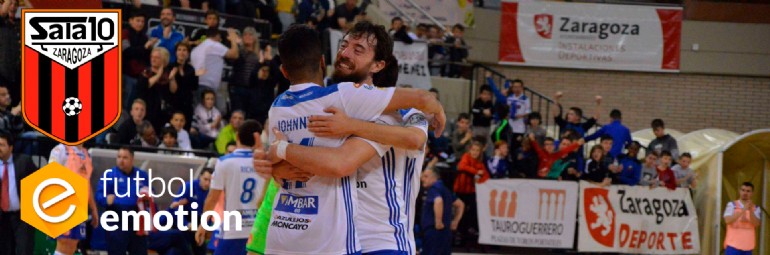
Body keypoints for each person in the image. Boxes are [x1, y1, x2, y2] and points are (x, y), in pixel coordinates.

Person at [248, 25, 446, 255]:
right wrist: (274, 168)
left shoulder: (397, 113)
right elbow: (300, 157)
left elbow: (412, 138)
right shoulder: (330, 100)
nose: (345, 53)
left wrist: (350, 126)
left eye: (358, 49)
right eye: (343, 45)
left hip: (382, 240)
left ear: (378, 65)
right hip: (338, 236)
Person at [195, 120, 265, 255]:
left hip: (234, 230)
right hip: (258, 230)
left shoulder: (224, 162)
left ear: (237, 136)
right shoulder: (265, 163)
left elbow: (212, 198)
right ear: (258, 138)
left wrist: (203, 225)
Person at [96, 147, 150, 255]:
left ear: (132, 159)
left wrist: (147, 195)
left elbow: (150, 192)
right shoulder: (109, 175)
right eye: (119, 157)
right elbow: (99, 195)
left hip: (137, 221)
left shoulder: (142, 175)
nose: (121, 160)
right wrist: (106, 199)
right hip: (117, 220)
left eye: (125, 157)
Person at [48, 143, 99, 255]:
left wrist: (93, 208)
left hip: (80, 205)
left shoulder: (86, 154)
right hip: (63, 203)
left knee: (73, 244)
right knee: (63, 242)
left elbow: (87, 183)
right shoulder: (60, 150)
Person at [0, 133, 38, 255]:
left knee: (24, 250)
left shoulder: (24, 161)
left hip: (22, 216)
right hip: (2, 217)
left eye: (1, 145)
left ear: (11, 147)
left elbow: (39, 181)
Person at [190, 28, 240, 112]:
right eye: (220, 39)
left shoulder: (196, 49)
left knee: (198, 114)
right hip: (207, 87)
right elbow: (234, 54)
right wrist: (233, 40)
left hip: (196, 86)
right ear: (217, 36)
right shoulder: (213, 45)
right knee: (208, 115)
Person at [421, 168, 464, 255]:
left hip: (434, 231)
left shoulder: (434, 188)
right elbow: (460, 204)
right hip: (445, 232)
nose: (422, 179)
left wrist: (438, 222)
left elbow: (438, 201)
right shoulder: (445, 189)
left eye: (426, 176)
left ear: (434, 178)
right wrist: (455, 222)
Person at [171, 168, 213, 255]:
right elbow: (175, 208)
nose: (207, 183)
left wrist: (204, 229)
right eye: (205, 179)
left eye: (210, 181)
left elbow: (209, 212)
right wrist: (186, 224)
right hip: (184, 219)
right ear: (200, 177)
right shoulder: (189, 187)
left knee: (201, 249)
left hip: (199, 221)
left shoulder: (212, 192)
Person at [454, 141, 488, 246]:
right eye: (473, 150)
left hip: (471, 192)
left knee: (472, 212)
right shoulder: (466, 157)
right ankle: (459, 233)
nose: (475, 152)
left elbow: (486, 177)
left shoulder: (480, 163)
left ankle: (465, 231)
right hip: (460, 191)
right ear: (469, 150)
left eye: (477, 150)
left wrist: (479, 178)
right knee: (461, 211)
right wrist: (476, 172)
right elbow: (462, 167)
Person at [229, 27, 264, 122]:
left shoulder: (259, 54)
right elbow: (231, 60)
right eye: (245, 34)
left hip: (252, 90)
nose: (248, 37)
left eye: (250, 34)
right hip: (238, 88)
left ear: (255, 38)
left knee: (249, 117)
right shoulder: (239, 51)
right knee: (237, 114)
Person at [136, 47, 175, 131]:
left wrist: (172, 79)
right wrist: (158, 75)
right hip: (148, 109)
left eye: (157, 57)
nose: (153, 59)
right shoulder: (146, 72)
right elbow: (145, 86)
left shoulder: (167, 73)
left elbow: (173, 90)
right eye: (152, 57)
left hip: (163, 110)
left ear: (164, 60)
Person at [121, 10, 151, 111]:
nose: (140, 23)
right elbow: (127, 52)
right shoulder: (124, 34)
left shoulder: (145, 37)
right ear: (130, 21)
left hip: (139, 78)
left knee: (132, 106)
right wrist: (144, 48)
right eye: (138, 21)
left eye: (142, 21)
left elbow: (147, 57)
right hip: (125, 75)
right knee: (124, 104)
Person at [723, 182, 761, 255]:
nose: (745, 193)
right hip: (733, 245)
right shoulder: (732, 205)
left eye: (748, 191)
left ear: (752, 193)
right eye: (743, 190)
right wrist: (743, 210)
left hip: (748, 246)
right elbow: (727, 220)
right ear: (739, 191)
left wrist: (750, 211)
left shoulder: (755, 208)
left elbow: (756, 224)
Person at [169, 42, 198, 126]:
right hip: (173, 104)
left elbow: (194, 87)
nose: (181, 52)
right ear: (176, 52)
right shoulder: (170, 67)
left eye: (184, 50)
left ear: (188, 53)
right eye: (179, 50)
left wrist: (183, 75)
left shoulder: (191, 69)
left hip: (187, 105)